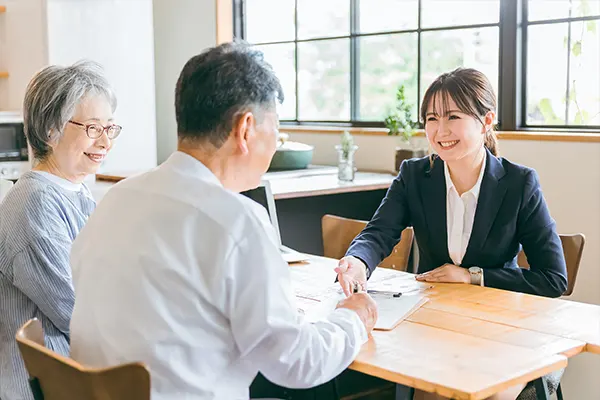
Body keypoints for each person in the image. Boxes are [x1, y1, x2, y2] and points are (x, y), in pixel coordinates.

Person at [68, 42, 378, 400]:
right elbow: (297, 363)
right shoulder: (236, 220)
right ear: (246, 128)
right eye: (274, 127)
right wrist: (353, 318)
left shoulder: (117, 198)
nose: (275, 142)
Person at [335, 68, 567, 400]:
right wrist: (357, 261)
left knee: (486, 394)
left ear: (486, 120)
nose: (440, 131)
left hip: (502, 332)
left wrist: (473, 277)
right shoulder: (414, 176)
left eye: (452, 117)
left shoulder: (519, 184)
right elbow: (379, 232)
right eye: (431, 118)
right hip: (435, 326)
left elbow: (553, 278)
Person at [0, 60, 120, 400]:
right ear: (51, 130)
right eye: (93, 128)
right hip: (47, 386)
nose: (105, 142)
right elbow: (77, 312)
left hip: (77, 372)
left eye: (110, 128)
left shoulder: (75, 190)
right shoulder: (33, 203)